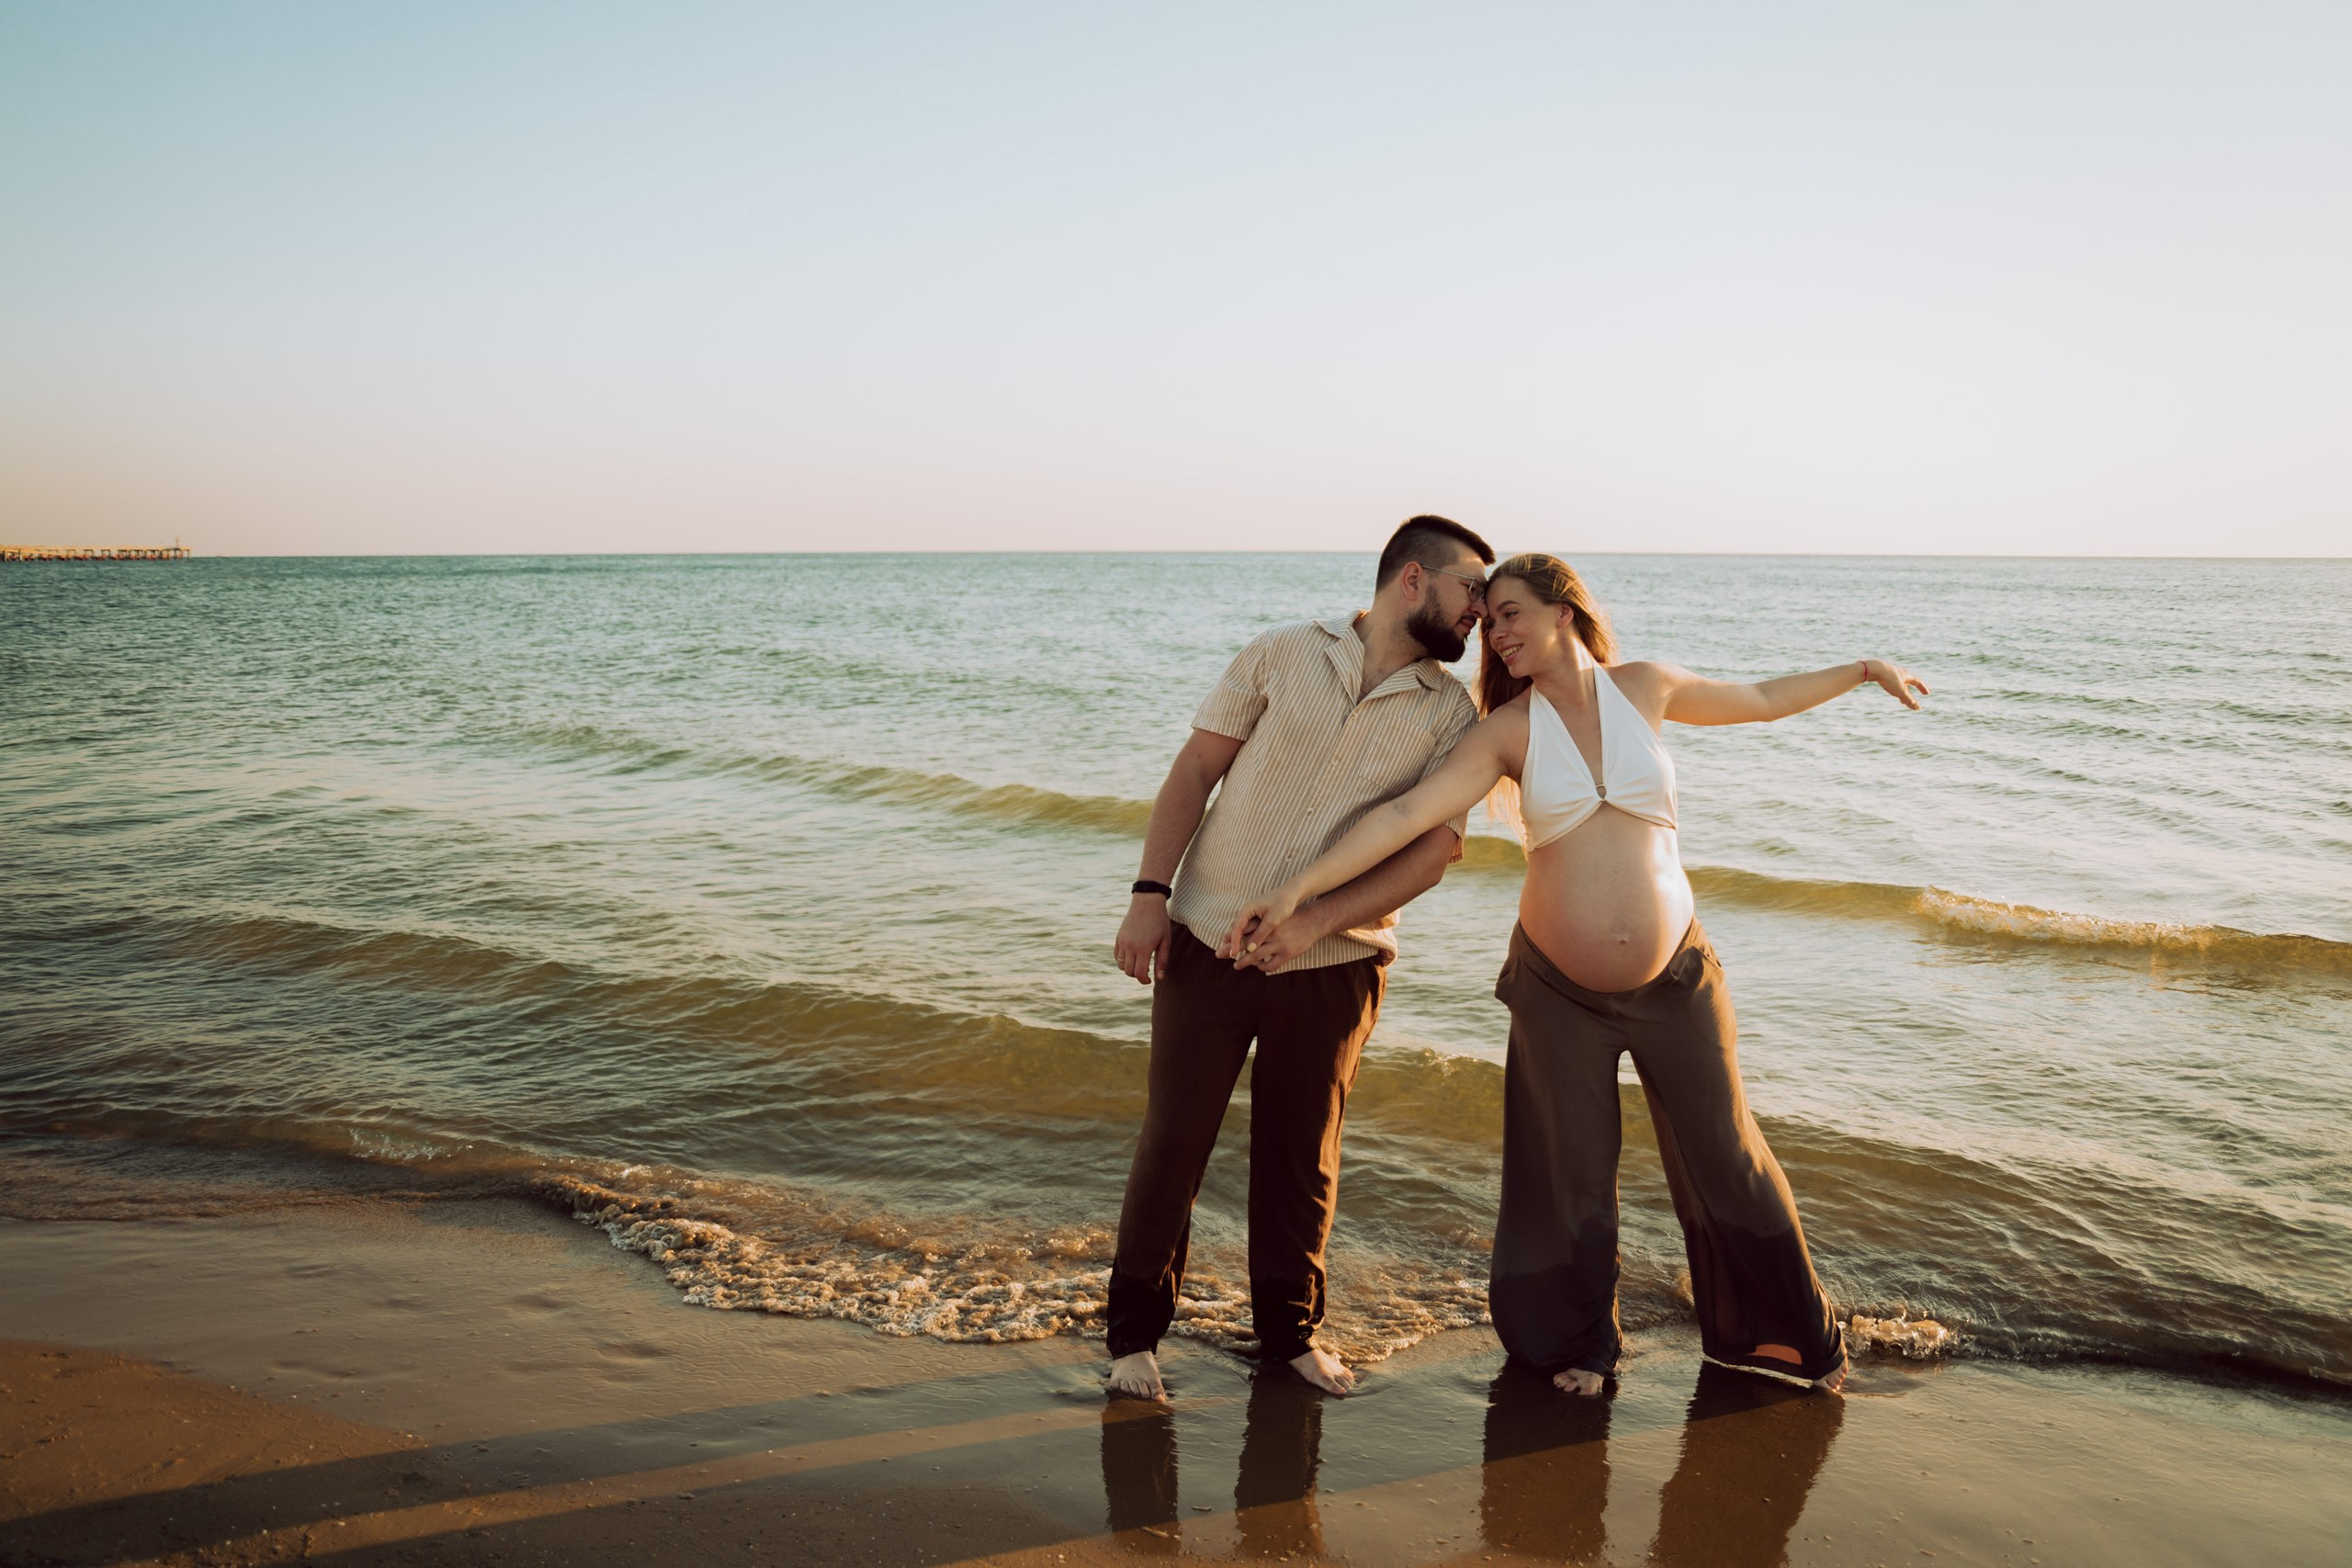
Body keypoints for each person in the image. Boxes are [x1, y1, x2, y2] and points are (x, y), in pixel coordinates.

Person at [1225, 553, 1928, 1396]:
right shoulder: (1506, 730)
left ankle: (1781, 1340)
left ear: (1565, 611)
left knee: (1729, 1152)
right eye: (1490, 623)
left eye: (1514, 613)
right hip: (1559, 988)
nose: (1501, 633)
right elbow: (1412, 813)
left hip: (1677, 979)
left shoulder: (1648, 689)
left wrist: (1861, 670)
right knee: (1568, 1172)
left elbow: (1762, 699)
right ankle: (1579, 1349)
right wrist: (1300, 886)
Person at [1106, 515, 1496, 1399]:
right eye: (1471, 586)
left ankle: (1288, 1337)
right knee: (1174, 1143)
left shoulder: (1450, 714)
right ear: (1411, 579)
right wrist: (1147, 895)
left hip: (1337, 966)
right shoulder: (1283, 652)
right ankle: (1132, 1340)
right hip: (1205, 938)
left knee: (1301, 1159)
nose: (1481, 608)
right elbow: (1193, 772)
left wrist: (1316, 921)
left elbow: (1431, 852)